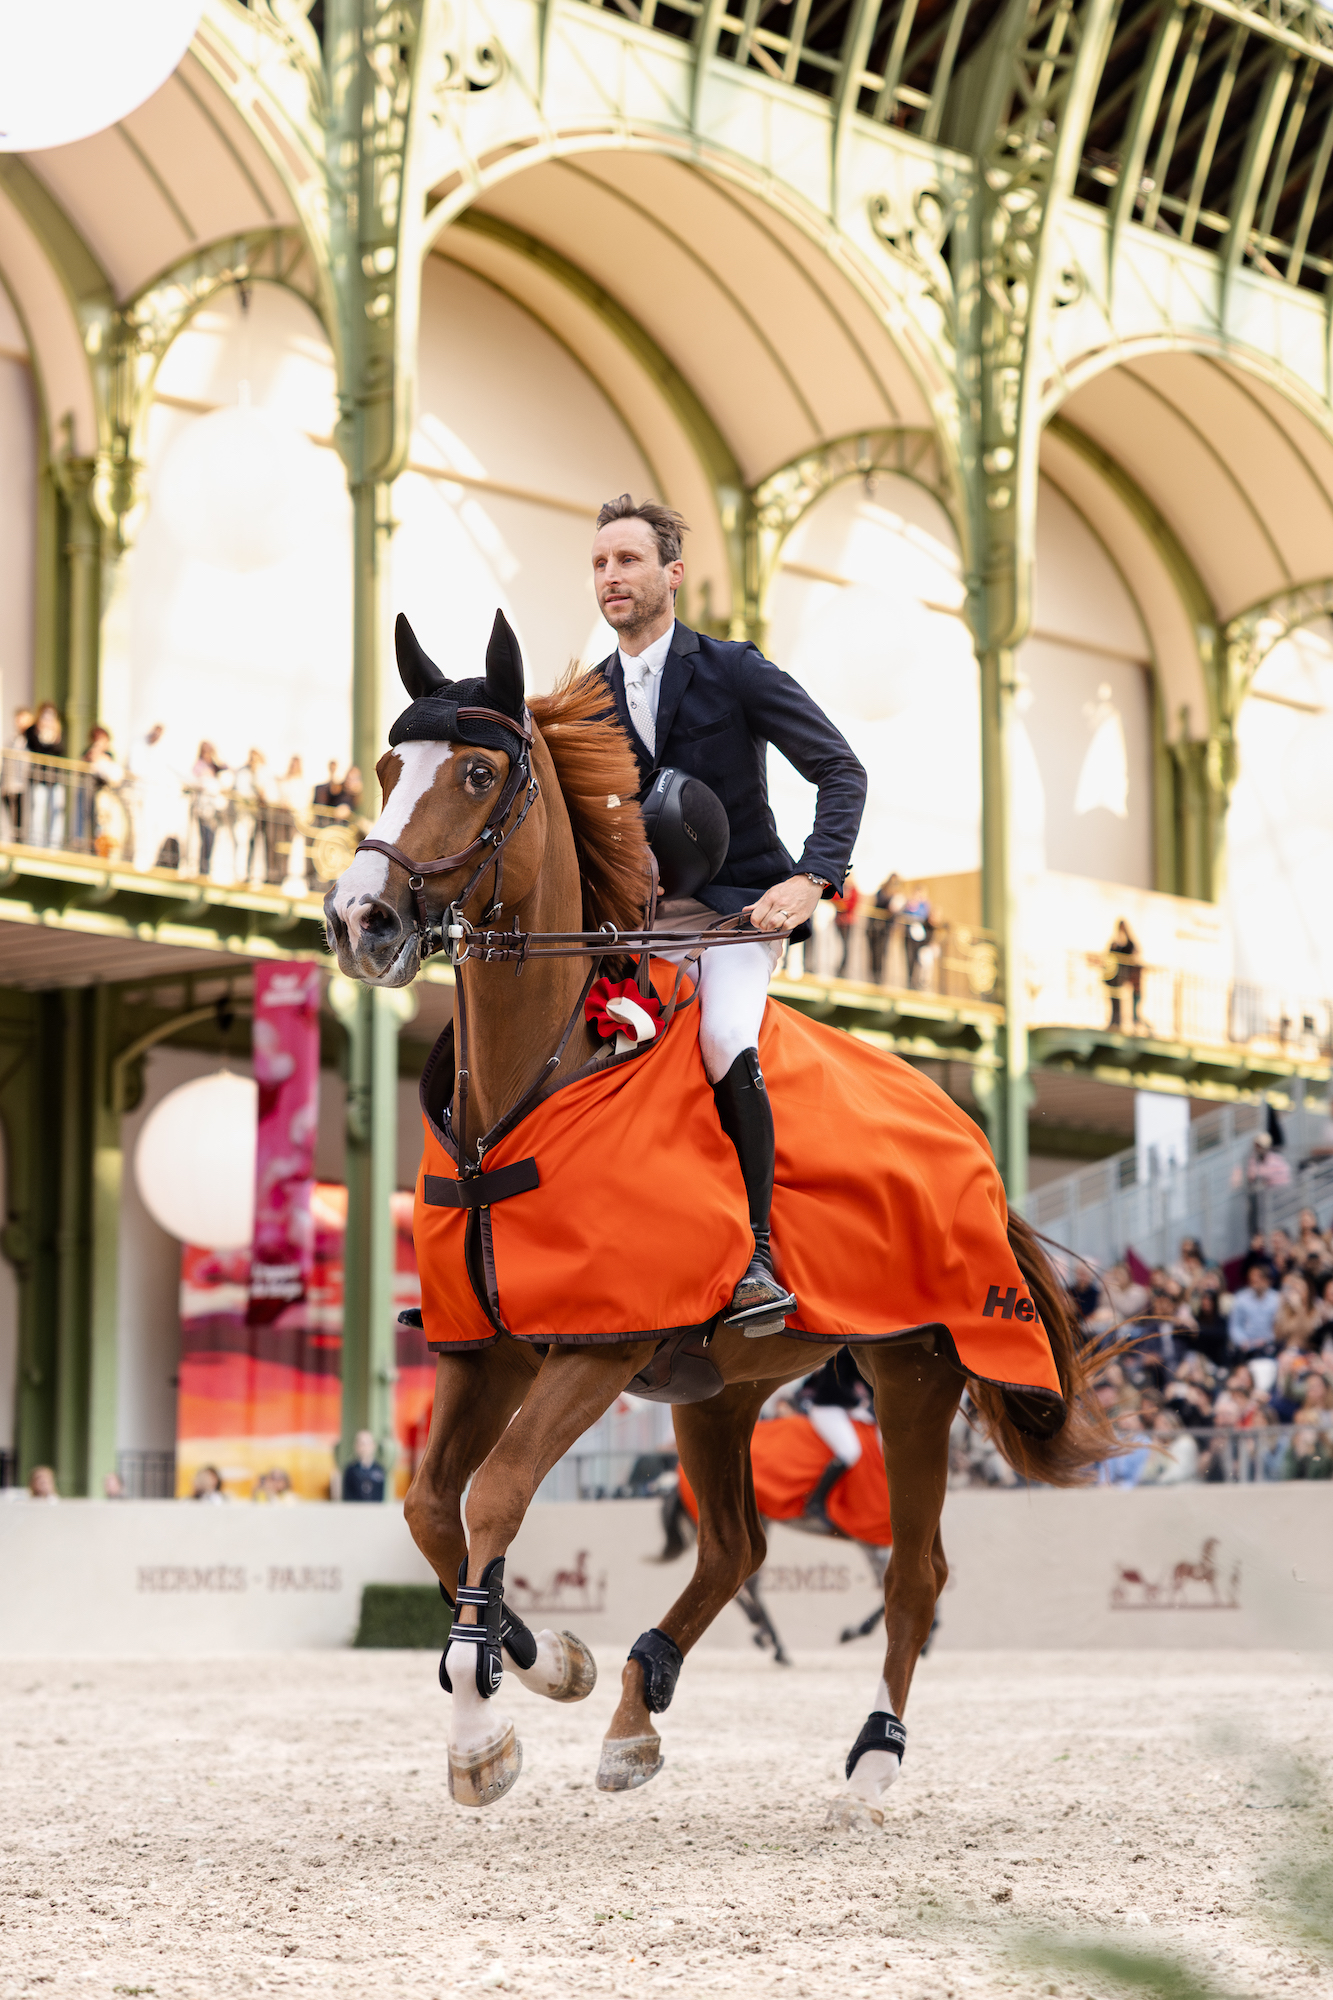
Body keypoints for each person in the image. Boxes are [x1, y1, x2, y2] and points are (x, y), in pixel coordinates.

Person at [590, 494, 866, 1329]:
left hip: (738, 914)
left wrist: (813, 880)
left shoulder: (733, 669)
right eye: (599, 564)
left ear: (672, 573)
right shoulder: (588, 696)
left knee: (718, 1037)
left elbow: (840, 770)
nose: (610, 576)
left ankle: (754, 1256)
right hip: (638, 923)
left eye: (628, 560)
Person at [24, 701, 66, 849]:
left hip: (55, 779)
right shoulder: (33, 731)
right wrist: (41, 734)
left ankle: (55, 845)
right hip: (39, 778)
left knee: (57, 811)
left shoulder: (58, 733)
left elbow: (59, 751)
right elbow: (35, 747)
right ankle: (36, 843)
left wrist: (53, 738)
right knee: (38, 810)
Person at [190, 741, 229, 876]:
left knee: (212, 838)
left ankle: (207, 867)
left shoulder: (215, 766)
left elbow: (226, 768)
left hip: (214, 809)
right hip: (202, 808)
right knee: (204, 838)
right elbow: (194, 780)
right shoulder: (199, 765)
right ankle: (202, 868)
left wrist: (216, 756)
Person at [1228, 1263, 1281, 1358]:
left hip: (1269, 1344)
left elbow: (1279, 1326)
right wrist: (1242, 1341)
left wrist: (1266, 1340)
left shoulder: (1277, 1299)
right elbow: (1235, 1325)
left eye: (1259, 1279)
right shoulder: (1241, 1298)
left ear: (1267, 1281)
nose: (1255, 1282)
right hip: (1245, 1346)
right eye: (1252, 1280)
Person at [1104, 918, 1142, 1030]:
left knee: (1124, 999)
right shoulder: (1115, 944)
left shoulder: (1128, 945)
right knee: (1114, 999)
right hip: (1114, 976)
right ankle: (1115, 1021)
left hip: (1122, 976)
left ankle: (1122, 1021)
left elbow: (1133, 951)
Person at [865, 872, 903, 984]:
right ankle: (874, 974)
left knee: (882, 952)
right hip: (876, 926)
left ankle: (879, 975)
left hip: (886, 928)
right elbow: (879, 903)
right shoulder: (883, 892)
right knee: (875, 951)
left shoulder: (897, 895)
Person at [3, 705, 33, 840]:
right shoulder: (12, 740)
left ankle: (21, 840)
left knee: (23, 816)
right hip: (11, 783)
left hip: (25, 784)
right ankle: (15, 839)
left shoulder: (31, 740)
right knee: (13, 816)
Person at [342, 1429, 386, 1502]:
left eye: (367, 1444)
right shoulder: (350, 1470)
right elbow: (347, 1497)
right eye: (361, 1444)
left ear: (373, 1446)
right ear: (356, 1446)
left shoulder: (380, 1470)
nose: (364, 1448)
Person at [832, 872, 859, 977]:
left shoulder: (853, 890)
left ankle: (844, 966)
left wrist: (843, 905)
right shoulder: (841, 887)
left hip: (848, 921)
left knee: (846, 945)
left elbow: (852, 904)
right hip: (839, 920)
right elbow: (834, 898)